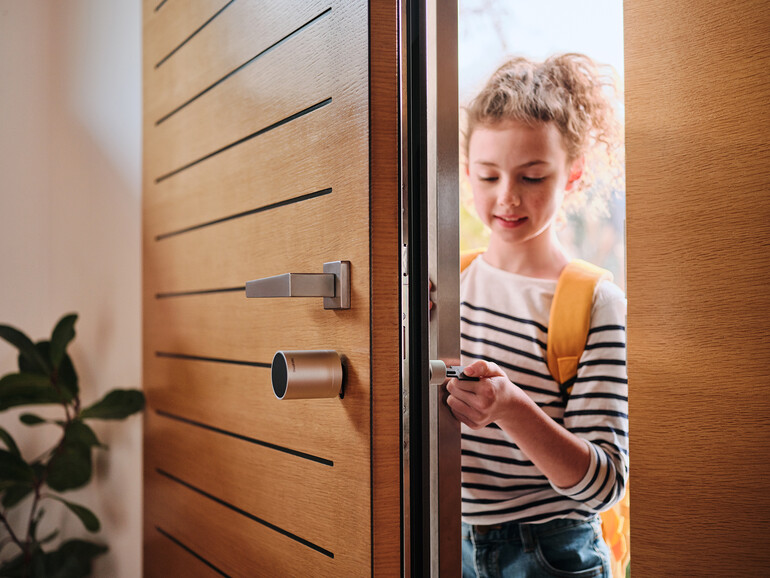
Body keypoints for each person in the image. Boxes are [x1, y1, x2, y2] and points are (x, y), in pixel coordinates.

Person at [446, 54, 628, 577]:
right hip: (443, 536)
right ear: (466, 174)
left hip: (550, 552)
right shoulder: (442, 290)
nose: (506, 197)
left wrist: (511, 407)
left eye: (531, 176)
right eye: (487, 176)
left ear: (573, 174)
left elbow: (603, 485)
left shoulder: (593, 303)